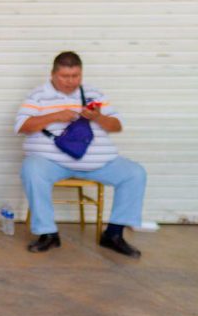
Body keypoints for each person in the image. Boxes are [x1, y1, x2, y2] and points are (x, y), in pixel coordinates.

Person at [16, 51, 147, 257]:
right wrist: (56, 116)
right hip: (53, 162)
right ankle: (48, 234)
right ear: (53, 75)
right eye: (65, 76)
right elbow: (23, 126)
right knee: (31, 169)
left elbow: (116, 125)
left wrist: (98, 117)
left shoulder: (95, 94)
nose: (70, 81)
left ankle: (114, 234)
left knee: (135, 173)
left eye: (75, 76)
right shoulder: (38, 96)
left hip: (98, 162)